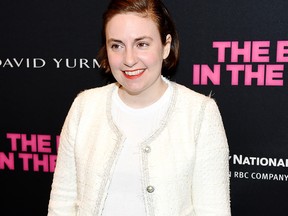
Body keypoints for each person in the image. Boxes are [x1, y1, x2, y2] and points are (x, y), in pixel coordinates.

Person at [47, 0, 231, 215]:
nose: (129, 59)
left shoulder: (200, 114)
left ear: (166, 46)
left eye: (142, 44)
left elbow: (213, 210)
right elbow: (62, 203)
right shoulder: (84, 107)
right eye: (117, 45)